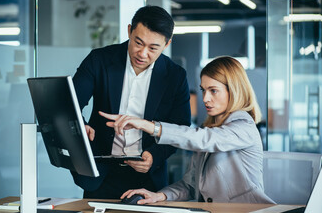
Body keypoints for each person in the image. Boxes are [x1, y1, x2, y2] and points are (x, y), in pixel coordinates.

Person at [100, 56, 275, 204]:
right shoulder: (210, 129)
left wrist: (149, 126)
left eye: (213, 91)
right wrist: (160, 195)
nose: (205, 98)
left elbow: (206, 140)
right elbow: (190, 186)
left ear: (235, 91)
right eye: (203, 90)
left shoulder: (244, 126)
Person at [71, 5, 191, 199]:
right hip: (102, 174)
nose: (143, 54)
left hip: (148, 178)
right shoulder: (99, 60)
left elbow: (180, 127)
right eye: (138, 43)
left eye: (153, 48)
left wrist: (154, 156)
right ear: (129, 31)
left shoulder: (175, 76)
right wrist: (81, 125)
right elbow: (71, 103)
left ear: (167, 44)